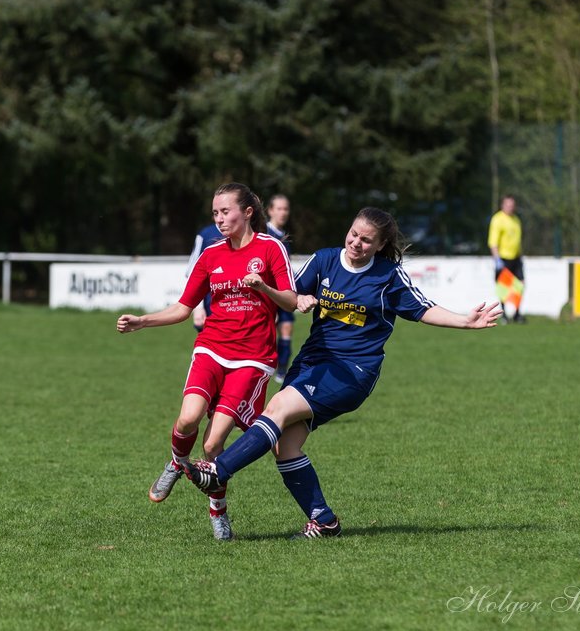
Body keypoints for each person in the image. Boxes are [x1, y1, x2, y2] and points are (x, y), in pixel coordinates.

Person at [180, 207, 502, 539]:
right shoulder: (325, 260)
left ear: (379, 245)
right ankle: (324, 521)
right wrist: (298, 298)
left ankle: (219, 470)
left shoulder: (387, 275)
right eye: (353, 234)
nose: (356, 243)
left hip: (352, 370)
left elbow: (421, 309)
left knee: (276, 410)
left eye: (366, 240)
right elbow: (288, 296)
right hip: (311, 363)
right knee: (286, 446)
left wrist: (465, 320)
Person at [118, 183, 296, 541]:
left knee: (214, 446)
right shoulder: (211, 255)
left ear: (247, 212)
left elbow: (291, 301)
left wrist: (263, 288)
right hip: (211, 348)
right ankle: (177, 462)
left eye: (225, 211)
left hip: (252, 358)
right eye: (214, 213)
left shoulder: (270, 248)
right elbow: (183, 309)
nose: (219, 219)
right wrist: (143, 321)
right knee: (187, 418)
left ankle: (218, 510)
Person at [266, 194, 296, 382]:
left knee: (286, 329)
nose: (283, 212)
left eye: (286, 208)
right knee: (266, 332)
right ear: (270, 210)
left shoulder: (284, 237)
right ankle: (266, 367)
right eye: (279, 208)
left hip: (284, 292)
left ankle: (283, 370)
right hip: (269, 293)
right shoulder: (264, 233)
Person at [488, 194, 525, 323]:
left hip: (516, 257)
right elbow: (493, 242)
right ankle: (504, 315)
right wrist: (497, 259)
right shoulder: (497, 219)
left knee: (520, 285)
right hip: (503, 258)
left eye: (512, 205)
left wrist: (521, 255)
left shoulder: (516, 220)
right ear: (502, 205)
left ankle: (517, 313)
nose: (510, 207)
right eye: (508, 205)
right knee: (503, 287)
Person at [187, 220, 223, 332]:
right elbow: (193, 272)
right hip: (211, 305)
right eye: (217, 212)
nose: (221, 217)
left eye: (226, 211)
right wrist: (198, 307)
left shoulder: (252, 236)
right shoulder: (206, 235)